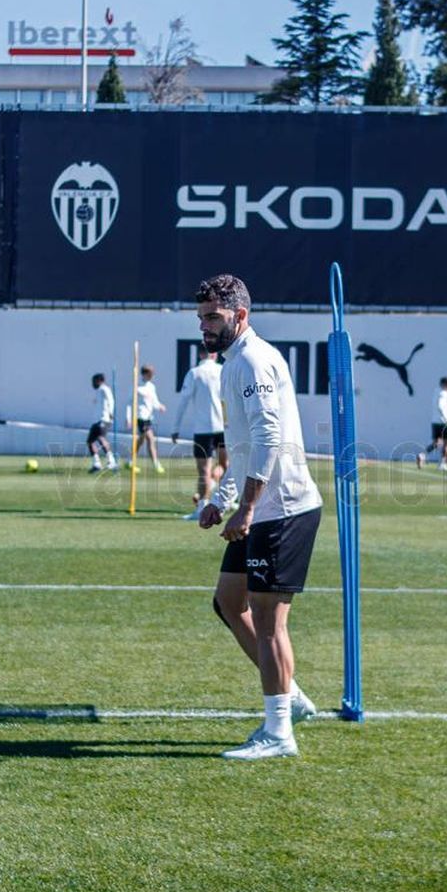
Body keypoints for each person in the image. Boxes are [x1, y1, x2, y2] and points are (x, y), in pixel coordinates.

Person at [195, 273, 325, 760]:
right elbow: (246, 446)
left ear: (241, 316)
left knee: (269, 621)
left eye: (213, 317)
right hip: (261, 507)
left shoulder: (253, 360)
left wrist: (246, 508)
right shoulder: (233, 362)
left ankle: (278, 732)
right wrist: (222, 498)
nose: (204, 326)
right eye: (201, 318)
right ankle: (288, 694)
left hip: (282, 508)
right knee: (229, 602)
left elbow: (269, 439)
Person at [173, 346, 228, 521]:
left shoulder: (194, 373)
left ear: (200, 354)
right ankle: (216, 495)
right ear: (215, 354)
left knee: (204, 470)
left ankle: (203, 506)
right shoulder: (222, 370)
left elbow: (183, 401)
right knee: (225, 466)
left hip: (203, 430)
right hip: (223, 427)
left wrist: (176, 428)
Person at [418, 377, 447, 472]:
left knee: (437, 443)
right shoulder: (444, 393)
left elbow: (440, 404)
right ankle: (442, 464)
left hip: (435, 422)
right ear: (445, 384)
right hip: (443, 422)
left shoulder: (436, 391)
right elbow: (440, 406)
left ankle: (422, 455)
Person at [135, 364, 168, 474]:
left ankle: (130, 460)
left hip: (148, 417)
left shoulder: (151, 387)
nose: (152, 376)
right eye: (150, 374)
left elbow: (154, 401)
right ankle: (156, 464)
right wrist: (128, 417)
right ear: (144, 374)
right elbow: (130, 402)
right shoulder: (138, 387)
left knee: (141, 441)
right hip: (141, 417)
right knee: (150, 439)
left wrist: (160, 406)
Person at [87, 373, 118, 472]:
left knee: (101, 438)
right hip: (96, 420)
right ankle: (97, 463)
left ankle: (112, 461)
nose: (92, 384)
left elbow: (111, 400)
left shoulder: (105, 389)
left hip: (104, 418)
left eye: (93, 381)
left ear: (99, 381)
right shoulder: (98, 391)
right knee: (90, 441)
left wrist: (111, 413)